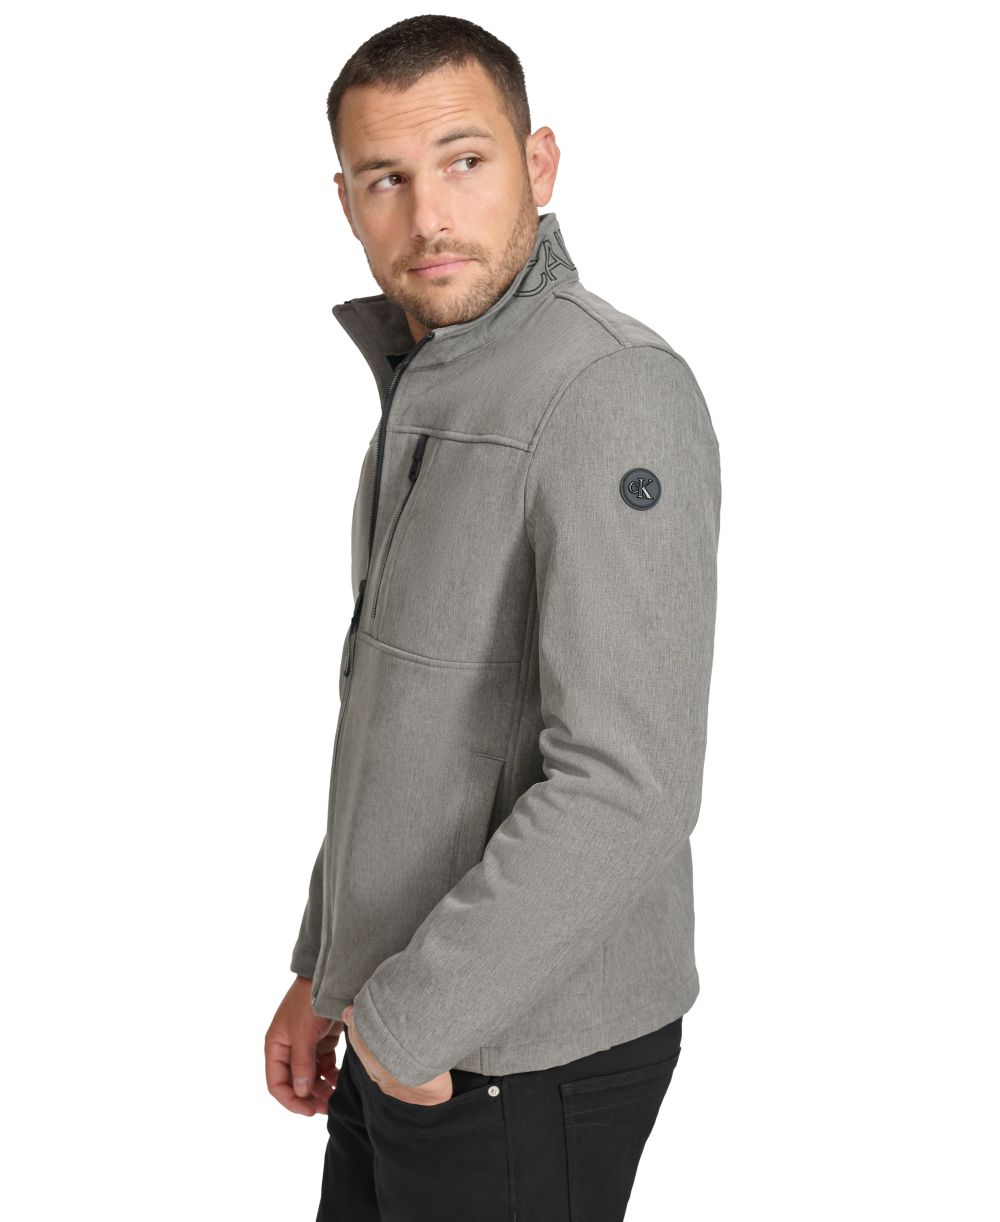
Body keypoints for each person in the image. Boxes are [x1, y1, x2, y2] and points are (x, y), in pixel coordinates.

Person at [264, 15, 721, 1222]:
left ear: (540, 162)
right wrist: (327, 965)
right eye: (386, 179)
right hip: (406, 1021)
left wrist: (410, 1022)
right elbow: (401, 726)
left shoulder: (606, 388)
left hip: (517, 1051)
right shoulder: (435, 378)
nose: (428, 217)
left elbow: (626, 785)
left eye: (464, 161)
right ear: (346, 201)